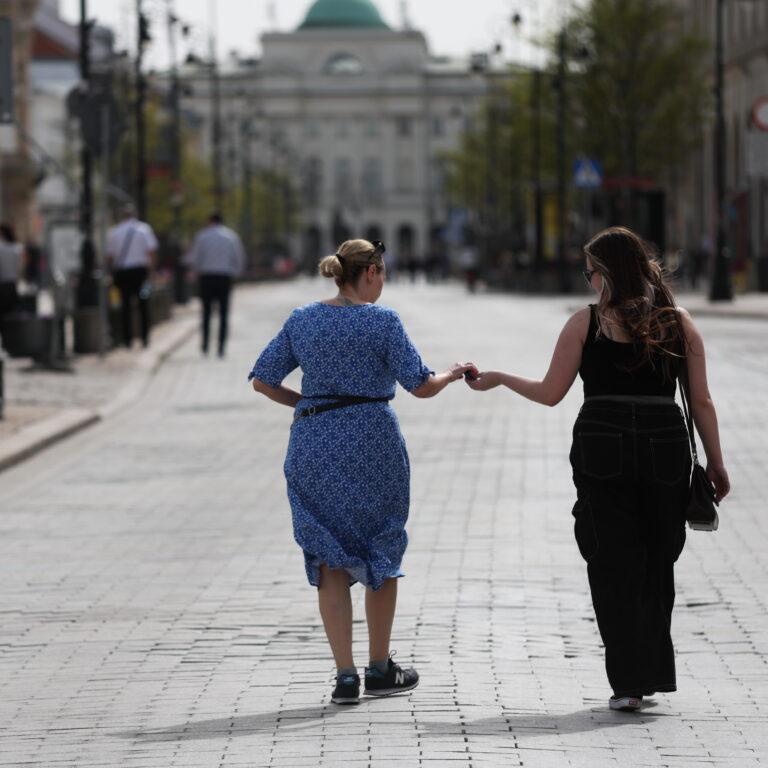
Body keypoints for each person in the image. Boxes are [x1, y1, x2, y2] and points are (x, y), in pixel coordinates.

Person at [466, 226, 730, 711]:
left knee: (610, 561)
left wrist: (500, 378)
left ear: (606, 274)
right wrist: (716, 462)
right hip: (664, 446)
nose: (587, 281)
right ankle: (653, 671)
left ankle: (628, 684)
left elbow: (551, 393)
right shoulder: (677, 322)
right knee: (657, 558)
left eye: (589, 272)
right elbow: (702, 401)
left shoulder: (585, 323)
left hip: (602, 445)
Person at [249, 238, 476, 705]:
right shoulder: (382, 321)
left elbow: (263, 380)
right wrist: (453, 373)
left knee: (328, 554)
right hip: (373, 441)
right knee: (380, 548)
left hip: (314, 442)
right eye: (383, 272)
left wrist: (309, 403)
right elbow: (421, 386)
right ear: (370, 272)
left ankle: (345, 677)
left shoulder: (302, 319)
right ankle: (379, 668)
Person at [185, 213, 245, 357]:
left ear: (209, 221)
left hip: (206, 277)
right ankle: (221, 347)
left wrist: (195, 271)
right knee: (224, 313)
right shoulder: (231, 236)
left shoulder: (202, 236)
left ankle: (205, 345)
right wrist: (236, 273)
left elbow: (195, 258)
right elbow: (239, 257)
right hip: (224, 277)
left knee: (206, 312)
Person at [106, 204, 158, 348]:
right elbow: (151, 252)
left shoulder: (114, 232)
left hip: (122, 274)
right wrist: (151, 272)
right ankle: (145, 337)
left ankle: (127, 339)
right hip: (140, 273)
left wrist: (110, 272)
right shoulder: (144, 229)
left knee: (125, 306)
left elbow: (109, 257)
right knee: (144, 303)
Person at [0, 224, 25, 319]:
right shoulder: (17, 248)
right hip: (12, 283)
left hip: (2, 283)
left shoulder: (1, 248)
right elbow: (19, 268)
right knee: (12, 313)